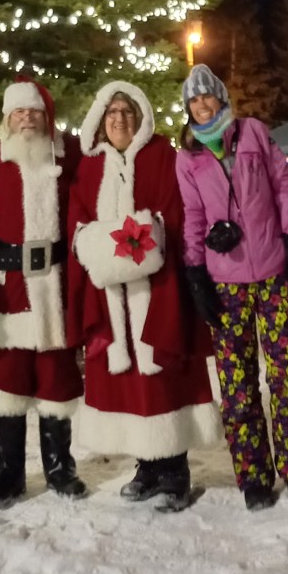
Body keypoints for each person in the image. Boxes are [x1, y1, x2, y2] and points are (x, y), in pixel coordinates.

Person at [67, 81, 220, 511]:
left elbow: (175, 213)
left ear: (141, 118)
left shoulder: (162, 158)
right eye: (112, 112)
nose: (119, 119)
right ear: (100, 120)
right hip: (110, 298)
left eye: (127, 112)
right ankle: (146, 466)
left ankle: (175, 471)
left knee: (162, 375)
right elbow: (77, 223)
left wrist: (142, 241)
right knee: (128, 381)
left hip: (159, 289)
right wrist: (96, 246)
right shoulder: (90, 167)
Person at [175, 65, 288, 511]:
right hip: (226, 284)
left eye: (208, 97)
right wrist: (196, 270)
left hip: (273, 274)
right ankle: (254, 476)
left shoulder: (254, 133)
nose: (202, 105)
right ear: (188, 109)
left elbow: (284, 188)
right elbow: (193, 215)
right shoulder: (189, 156)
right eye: (194, 101)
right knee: (238, 386)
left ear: (221, 98)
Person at [0, 77, 86, 506]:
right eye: (19, 111)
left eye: (34, 111)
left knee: (57, 381)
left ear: (47, 115)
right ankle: (8, 475)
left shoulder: (68, 152)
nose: (27, 118)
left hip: (56, 284)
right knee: (8, 382)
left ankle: (61, 469)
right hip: (10, 286)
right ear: (7, 117)